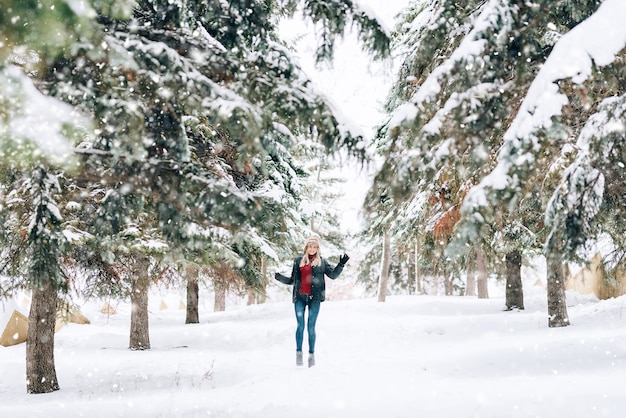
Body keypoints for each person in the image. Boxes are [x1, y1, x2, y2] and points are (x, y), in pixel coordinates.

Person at [275, 236, 349, 367]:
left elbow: (333, 275)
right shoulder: (298, 261)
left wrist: (341, 264)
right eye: (310, 246)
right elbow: (293, 280)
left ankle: (311, 354)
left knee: (311, 327)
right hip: (300, 297)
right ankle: (298, 353)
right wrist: (279, 277)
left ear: (318, 249)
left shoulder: (322, 263)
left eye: (315, 247)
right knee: (300, 325)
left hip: (315, 298)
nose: (312, 249)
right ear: (306, 247)